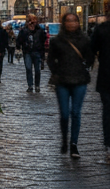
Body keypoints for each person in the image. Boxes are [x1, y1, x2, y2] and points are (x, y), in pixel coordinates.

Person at [46, 11, 93, 159]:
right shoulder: (57, 41)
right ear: (64, 23)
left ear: (78, 23)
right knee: (65, 114)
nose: (71, 23)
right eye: (68, 21)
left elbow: (90, 58)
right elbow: (50, 60)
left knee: (76, 113)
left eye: (74, 21)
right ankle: (65, 139)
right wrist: (57, 71)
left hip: (79, 80)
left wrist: (85, 67)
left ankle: (74, 144)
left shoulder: (85, 40)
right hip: (62, 81)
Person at [86, 16, 110, 164]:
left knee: (108, 112)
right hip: (106, 79)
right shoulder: (102, 29)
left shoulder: (102, 29)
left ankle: (109, 147)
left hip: (106, 78)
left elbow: (91, 50)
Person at [17, 14, 47, 94]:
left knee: (37, 70)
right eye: (31, 20)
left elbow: (44, 38)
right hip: (27, 52)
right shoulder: (24, 30)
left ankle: (37, 85)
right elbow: (19, 40)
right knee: (28, 68)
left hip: (37, 51)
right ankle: (30, 85)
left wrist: (37, 27)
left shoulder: (39, 30)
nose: (33, 21)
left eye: (34, 20)